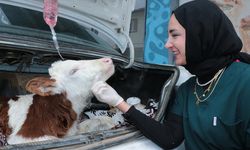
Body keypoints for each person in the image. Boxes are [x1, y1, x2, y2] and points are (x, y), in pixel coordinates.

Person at [91, 0, 250, 149]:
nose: (167, 44)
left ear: (200, 33)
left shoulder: (245, 81)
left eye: (175, 35)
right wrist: (119, 102)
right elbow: (170, 137)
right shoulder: (189, 88)